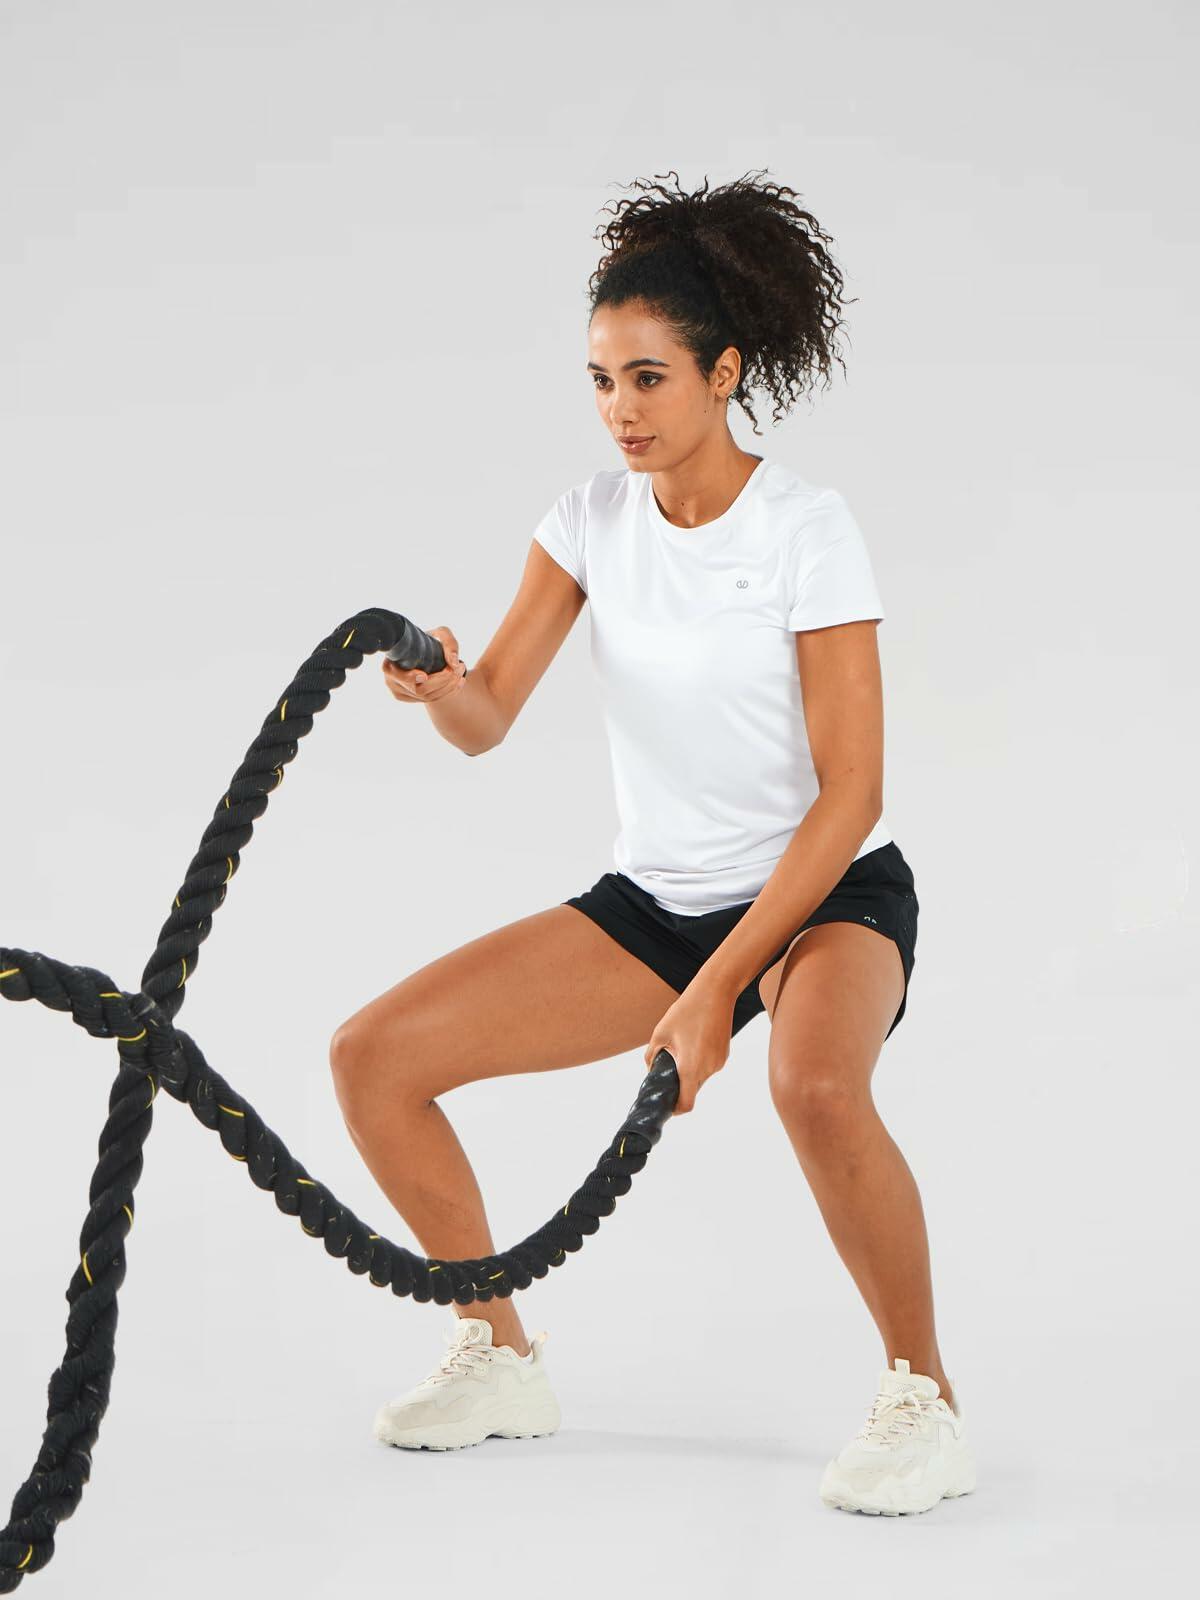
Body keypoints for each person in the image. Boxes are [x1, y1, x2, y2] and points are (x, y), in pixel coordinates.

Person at [330, 169, 975, 1515]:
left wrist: (719, 988)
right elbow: (488, 720)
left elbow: (852, 793)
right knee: (373, 1060)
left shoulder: (805, 530)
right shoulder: (588, 522)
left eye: (648, 378)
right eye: (600, 381)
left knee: (814, 1088)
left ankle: (925, 1398)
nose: (621, 408)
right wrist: (442, 685)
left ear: (722, 373)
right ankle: (499, 1357)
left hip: (825, 895)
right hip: (657, 904)